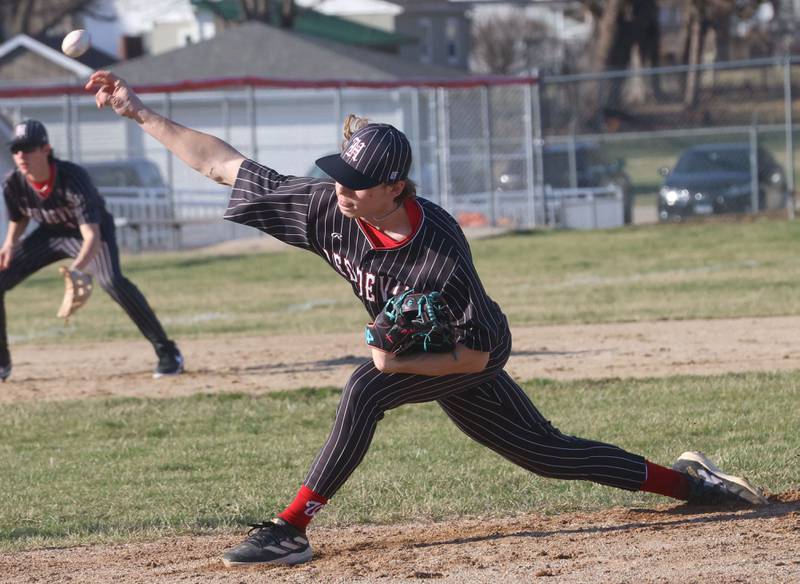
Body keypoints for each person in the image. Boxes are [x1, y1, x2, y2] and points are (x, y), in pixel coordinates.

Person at [86, 71, 768, 567]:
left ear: (396, 189)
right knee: (546, 453)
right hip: (432, 350)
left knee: (366, 386)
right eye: (339, 176)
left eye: (357, 182)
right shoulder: (331, 206)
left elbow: (472, 357)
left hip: (474, 347)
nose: (342, 190)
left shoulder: (438, 254)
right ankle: (691, 483)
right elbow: (223, 166)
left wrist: (394, 363)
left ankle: (290, 527)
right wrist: (139, 112)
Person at [1, 119, 184, 380]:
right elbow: (19, 217)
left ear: (45, 149)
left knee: (112, 281)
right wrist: (9, 244)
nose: (21, 155)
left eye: (28, 148)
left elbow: (91, 235)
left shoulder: (72, 178)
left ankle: (168, 352)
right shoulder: (13, 183)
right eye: (16, 149)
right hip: (51, 235)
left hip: (90, 233)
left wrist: (78, 270)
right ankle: (1, 364)